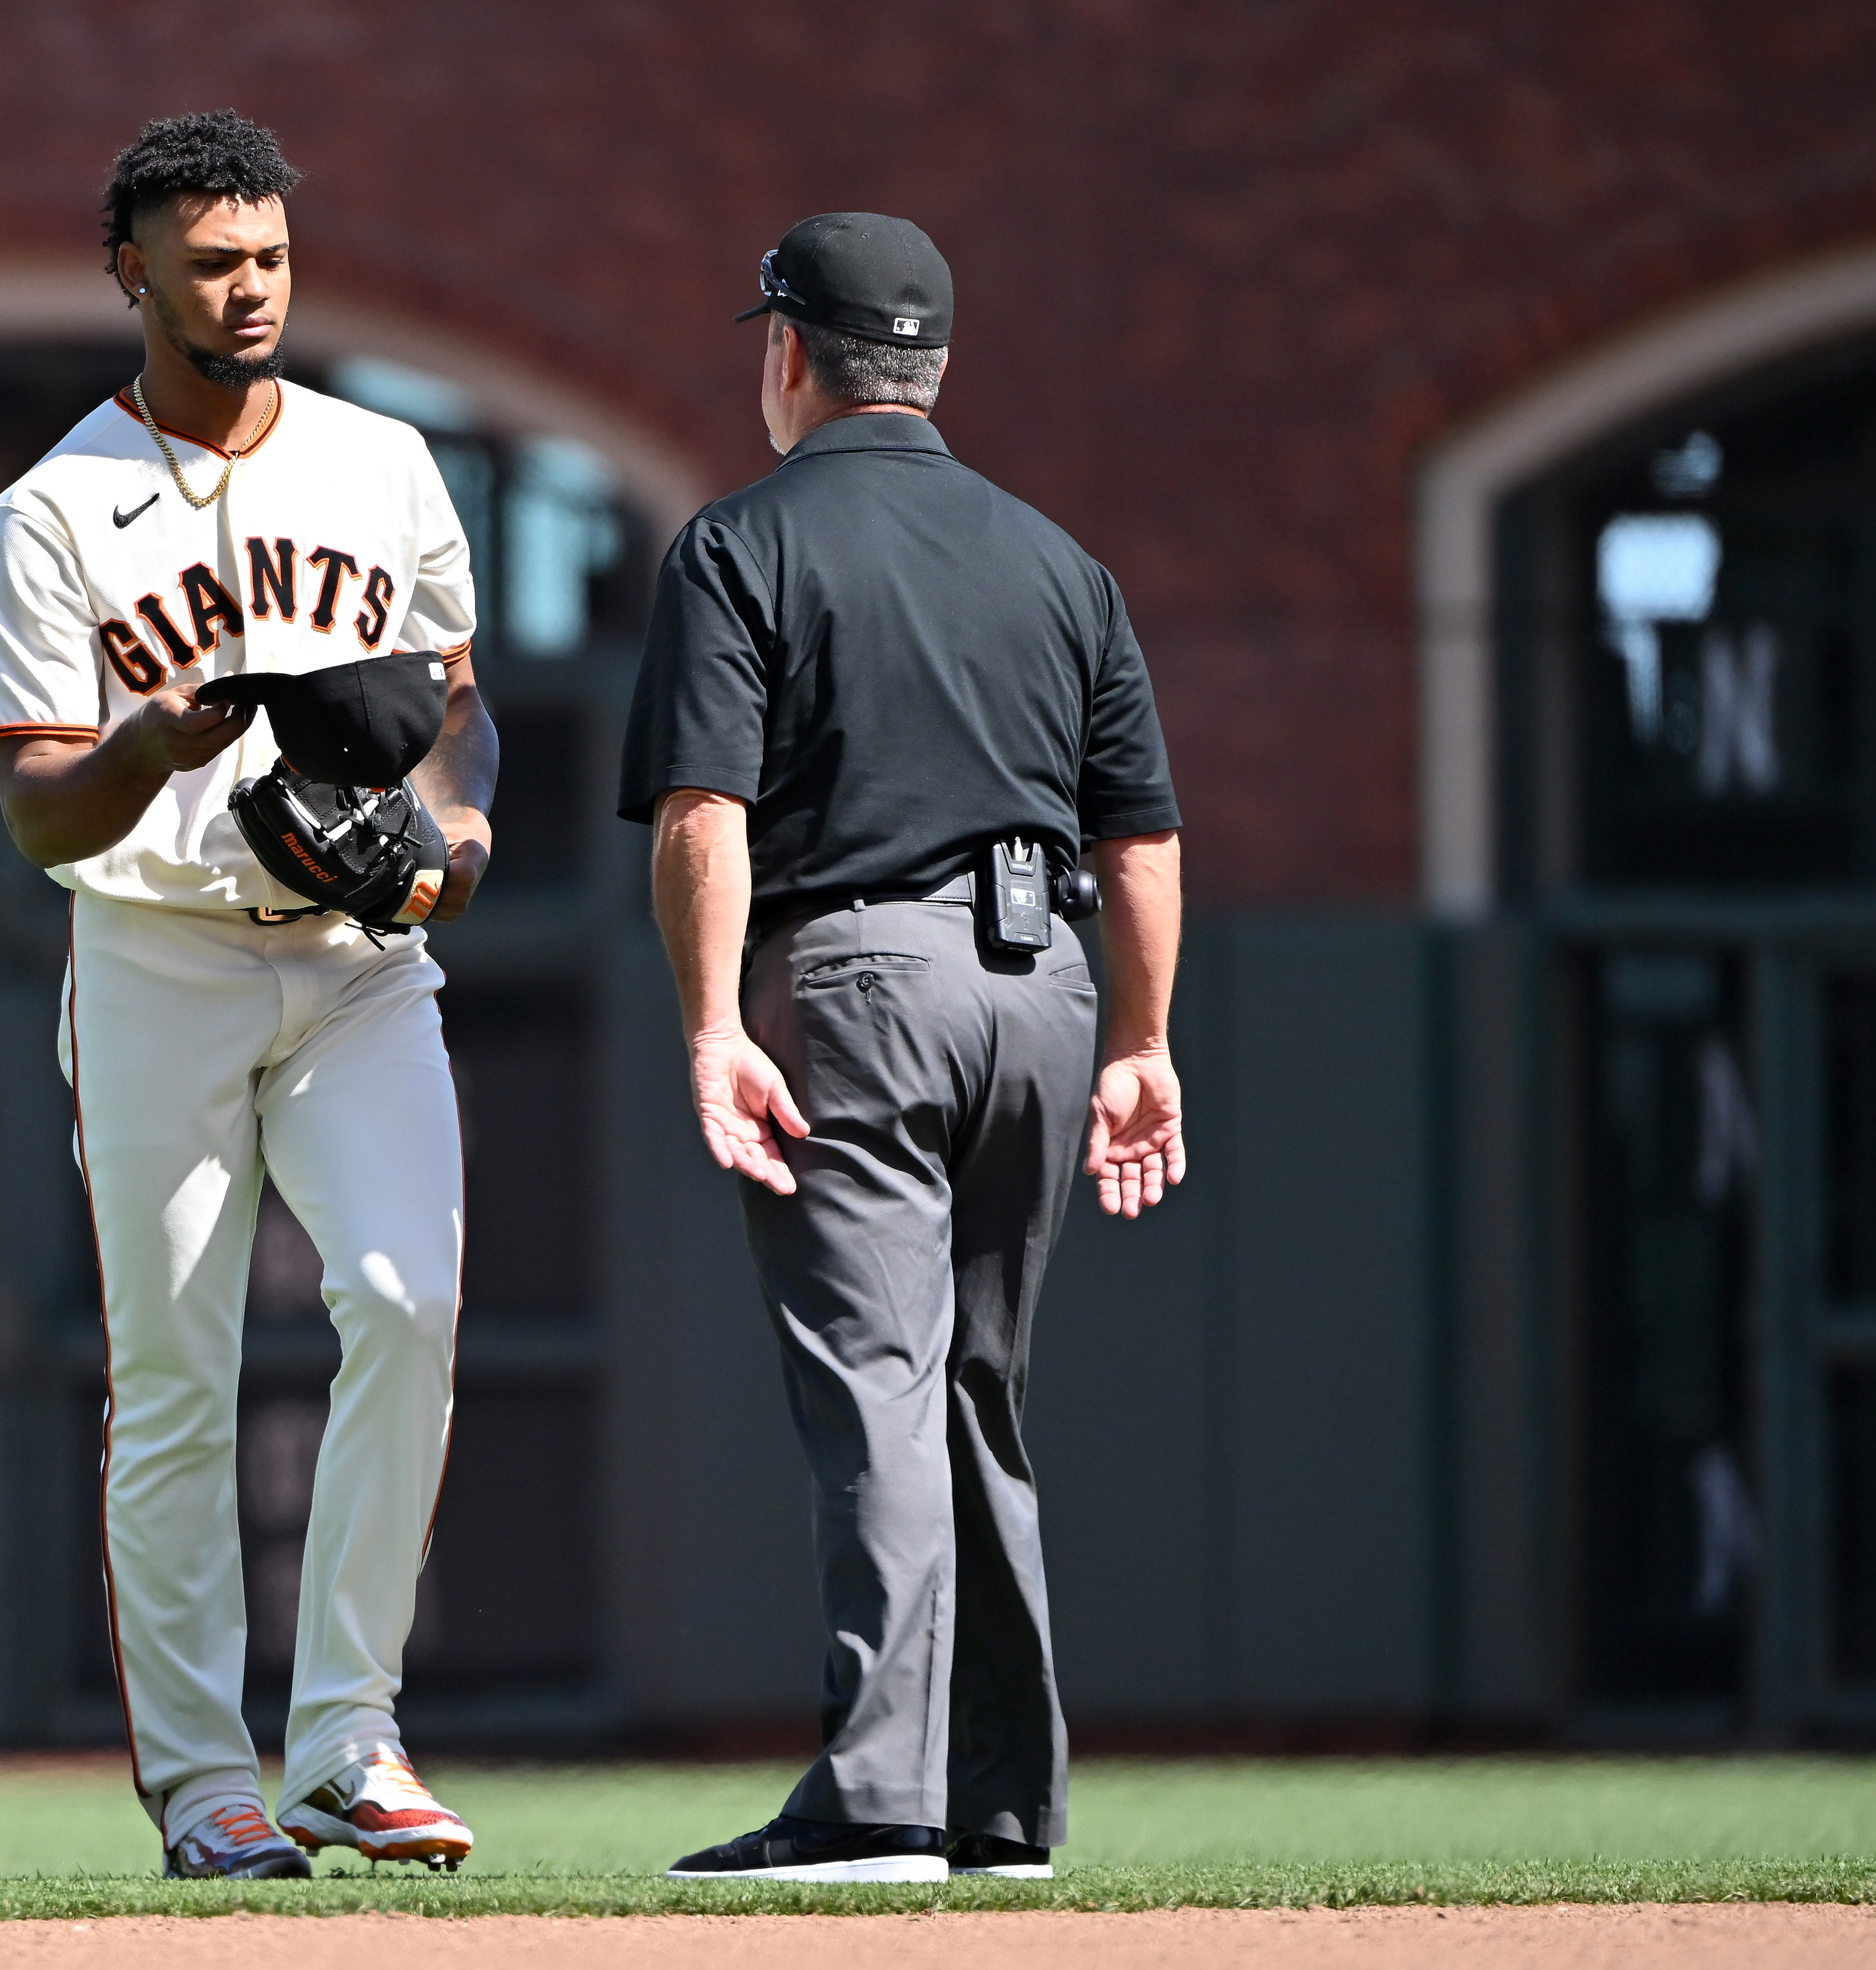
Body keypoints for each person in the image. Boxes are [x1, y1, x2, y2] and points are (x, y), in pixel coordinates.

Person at [620, 213, 1186, 1883]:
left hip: (854, 974)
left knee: (876, 1380)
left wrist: (713, 1020)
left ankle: (879, 1795)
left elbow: (702, 811)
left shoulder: (737, 543)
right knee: (973, 1389)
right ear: (933, 365)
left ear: (786, 350)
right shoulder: (1055, 559)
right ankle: (1000, 1799)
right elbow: (1139, 838)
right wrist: (1142, 1038)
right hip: (1046, 981)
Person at [0, 110, 497, 1880]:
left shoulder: (380, 461)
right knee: (179, 1373)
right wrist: (138, 745)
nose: (248, 285)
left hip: (355, 959)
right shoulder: (48, 514)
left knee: (405, 1301)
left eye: (267, 254)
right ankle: (207, 1783)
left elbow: (451, 696)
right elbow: (41, 812)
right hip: (157, 949)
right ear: (130, 270)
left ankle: (350, 1736)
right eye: (209, 259)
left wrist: (458, 820)